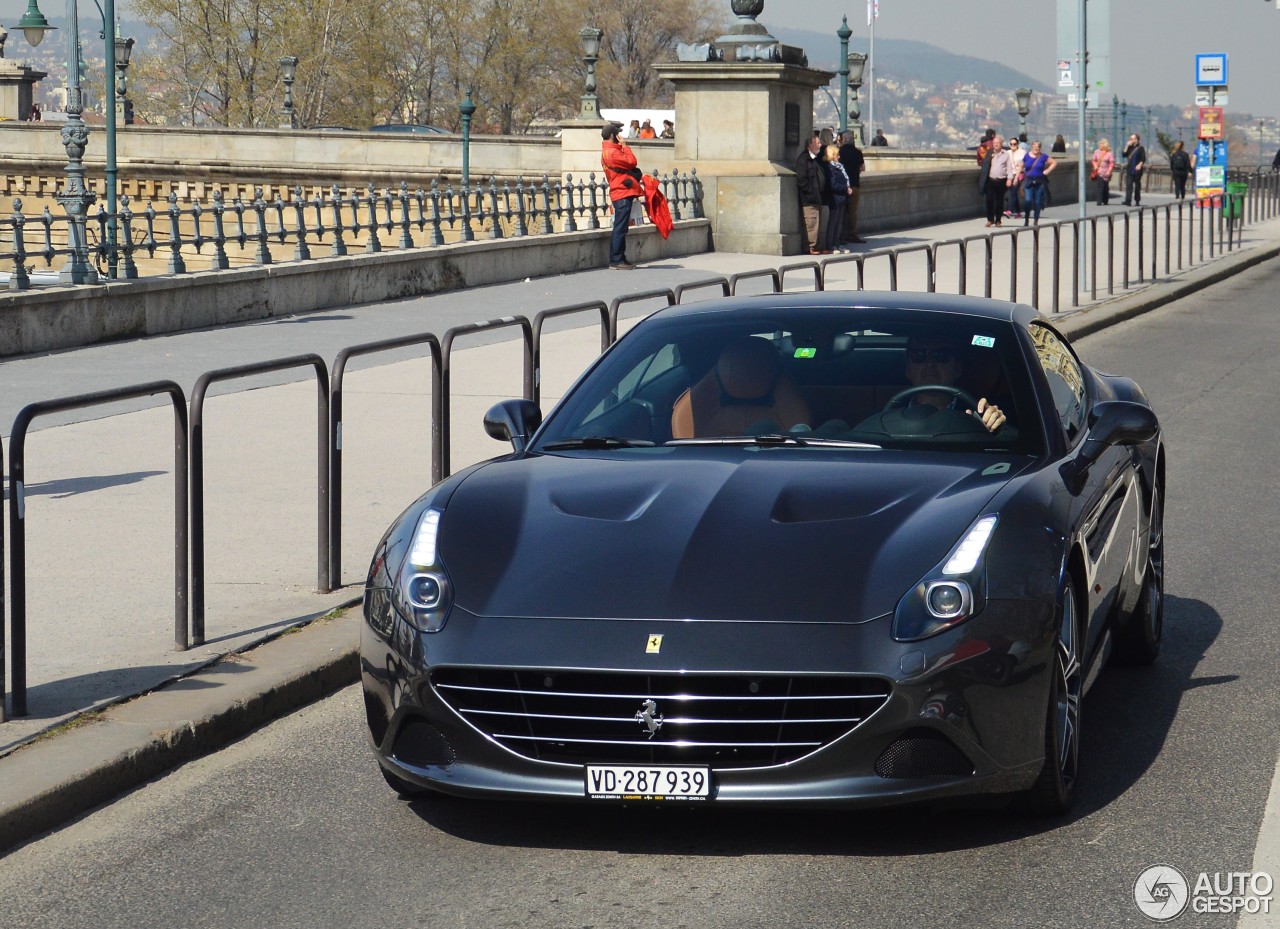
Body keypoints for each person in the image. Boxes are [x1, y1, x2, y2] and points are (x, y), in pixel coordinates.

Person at [897, 335, 1006, 433]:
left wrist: (995, 428)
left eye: (941, 355)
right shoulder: (891, 415)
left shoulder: (975, 416)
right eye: (919, 355)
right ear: (907, 369)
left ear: (957, 369)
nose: (929, 363)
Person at [601, 122, 643, 270]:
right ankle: (616, 259)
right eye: (618, 134)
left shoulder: (606, 151)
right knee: (620, 227)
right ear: (613, 136)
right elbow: (632, 162)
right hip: (622, 192)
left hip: (619, 191)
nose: (620, 136)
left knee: (621, 226)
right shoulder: (613, 152)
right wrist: (624, 146)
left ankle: (620, 258)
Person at [795, 132, 829, 255]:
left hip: (818, 198)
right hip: (809, 199)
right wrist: (811, 193)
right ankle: (810, 246)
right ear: (810, 144)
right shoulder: (804, 159)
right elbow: (802, 180)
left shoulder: (816, 160)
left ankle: (817, 246)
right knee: (811, 223)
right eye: (818, 143)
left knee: (817, 224)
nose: (820, 145)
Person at [837, 130, 867, 244]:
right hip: (855, 185)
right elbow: (862, 168)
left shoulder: (839, 152)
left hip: (842, 186)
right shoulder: (858, 152)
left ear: (843, 139)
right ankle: (852, 234)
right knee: (853, 212)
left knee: (842, 211)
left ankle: (841, 235)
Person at [824, 143, 852, 254]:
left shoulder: (839, 167)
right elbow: (833, 184)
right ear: (832, 155)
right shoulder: (830, 168)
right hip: (834, 198)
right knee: (833, 222)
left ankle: (837, 244)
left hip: (841, 198)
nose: (839, 157)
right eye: (837, 155)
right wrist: (846, 188)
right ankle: (831, 246)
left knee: (839, 223)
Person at [979, 134, 1012, 227]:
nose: (996, 144)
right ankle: (990, 219)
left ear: (1001, 144)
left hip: (1001, 181)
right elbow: (985, 166)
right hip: (990, 180)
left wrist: (1009, 179)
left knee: (999, 201)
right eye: (994, 143)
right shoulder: (989, 153)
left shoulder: (1006, 154)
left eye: (997, 143)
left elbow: (1009, 167)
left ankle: (998, 220)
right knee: (989, 199)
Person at [1020, 140, 1056, 224]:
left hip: (1039, 182)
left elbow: (1054, 162)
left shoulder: (1043, 156)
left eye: (1038, 147)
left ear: (1040, 148)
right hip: (1028, 182)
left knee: (1037, 202)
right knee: (1028, 201)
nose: (1036, 148)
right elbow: (1021, 165)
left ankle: (1036, 219)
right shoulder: (1027, 156)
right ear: (1032, 146)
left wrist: (1047, 171)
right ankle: (1027, 218)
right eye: (1035, 146)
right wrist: (1017, 176)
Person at [1121, 133, 1146, 207]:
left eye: (1131, 139)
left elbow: (1143, 158)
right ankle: (1128, 200)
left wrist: (1140, 165)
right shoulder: (1129, 147)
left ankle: (1137, 200)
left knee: (1137, 185)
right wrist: (1126, 146)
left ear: (1136, 139)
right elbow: (1124, 155)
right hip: (1130, 168)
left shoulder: (1141, 148)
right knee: (1129, 185)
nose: (1130, 140)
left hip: (1137, 169)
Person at [1091, 139, 1115, 206]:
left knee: (1105, 186)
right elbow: (1093, 160)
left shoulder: (1109, 153)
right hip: (1099, 171)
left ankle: (1105, 200)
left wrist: (1109, 171)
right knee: (1099, 186)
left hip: (1106, 172)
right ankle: (1099, 200)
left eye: (1101, 144)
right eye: (1099, 144)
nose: (1099, 145)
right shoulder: (1096, 152)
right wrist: (1095, 165)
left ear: (1104, 145)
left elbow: (1111, 163)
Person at [1005, 137, 1024, 218]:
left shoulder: (1022, 152)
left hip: (1018, 175)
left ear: (1017, 144)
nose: (1013, 145)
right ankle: (1018, 212)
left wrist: (1016, 177)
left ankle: (1010, 210)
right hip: (1010, 175)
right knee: (1014, 193)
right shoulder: (1007, 152)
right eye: (1011, 144)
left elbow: (1021, 165)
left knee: (1013, 192)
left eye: (1014, 144)